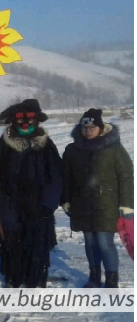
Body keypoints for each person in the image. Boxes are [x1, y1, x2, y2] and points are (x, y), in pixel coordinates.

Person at [0, 99, 62, 288]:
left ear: (37, 121)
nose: (25, 125)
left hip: (38, 204)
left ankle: (35, 279)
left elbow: (56, 176)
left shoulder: (47, 146)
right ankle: (13, 277)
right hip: (10, 203)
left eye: (30, 120)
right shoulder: (3, 146)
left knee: (36, 243)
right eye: (20, 121)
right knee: (12, 243)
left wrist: (48, 204)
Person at [61, 108, 133, 288]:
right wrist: (65, 200)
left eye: (92, 127)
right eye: (84, 127)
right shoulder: (72, 150)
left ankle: (111, 279)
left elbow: (126, 176)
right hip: (81, 203)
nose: (88, 131)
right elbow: (65, 177)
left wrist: (127, 204)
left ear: (100, 128)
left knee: (104, 242)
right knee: (90, 242)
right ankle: (94, 277)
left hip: (107, 204)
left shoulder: (114, 148)